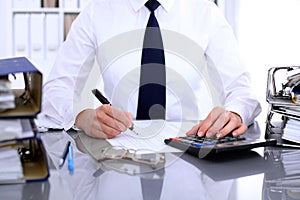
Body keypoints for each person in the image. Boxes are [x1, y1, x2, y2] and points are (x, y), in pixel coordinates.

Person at [42, 0, 261, 139]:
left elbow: (241, 90)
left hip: (186, 152)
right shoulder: (97, 11)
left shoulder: (205, 12)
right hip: (119, 151)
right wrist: (81, 116)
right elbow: (56, 88)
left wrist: (234, 113)